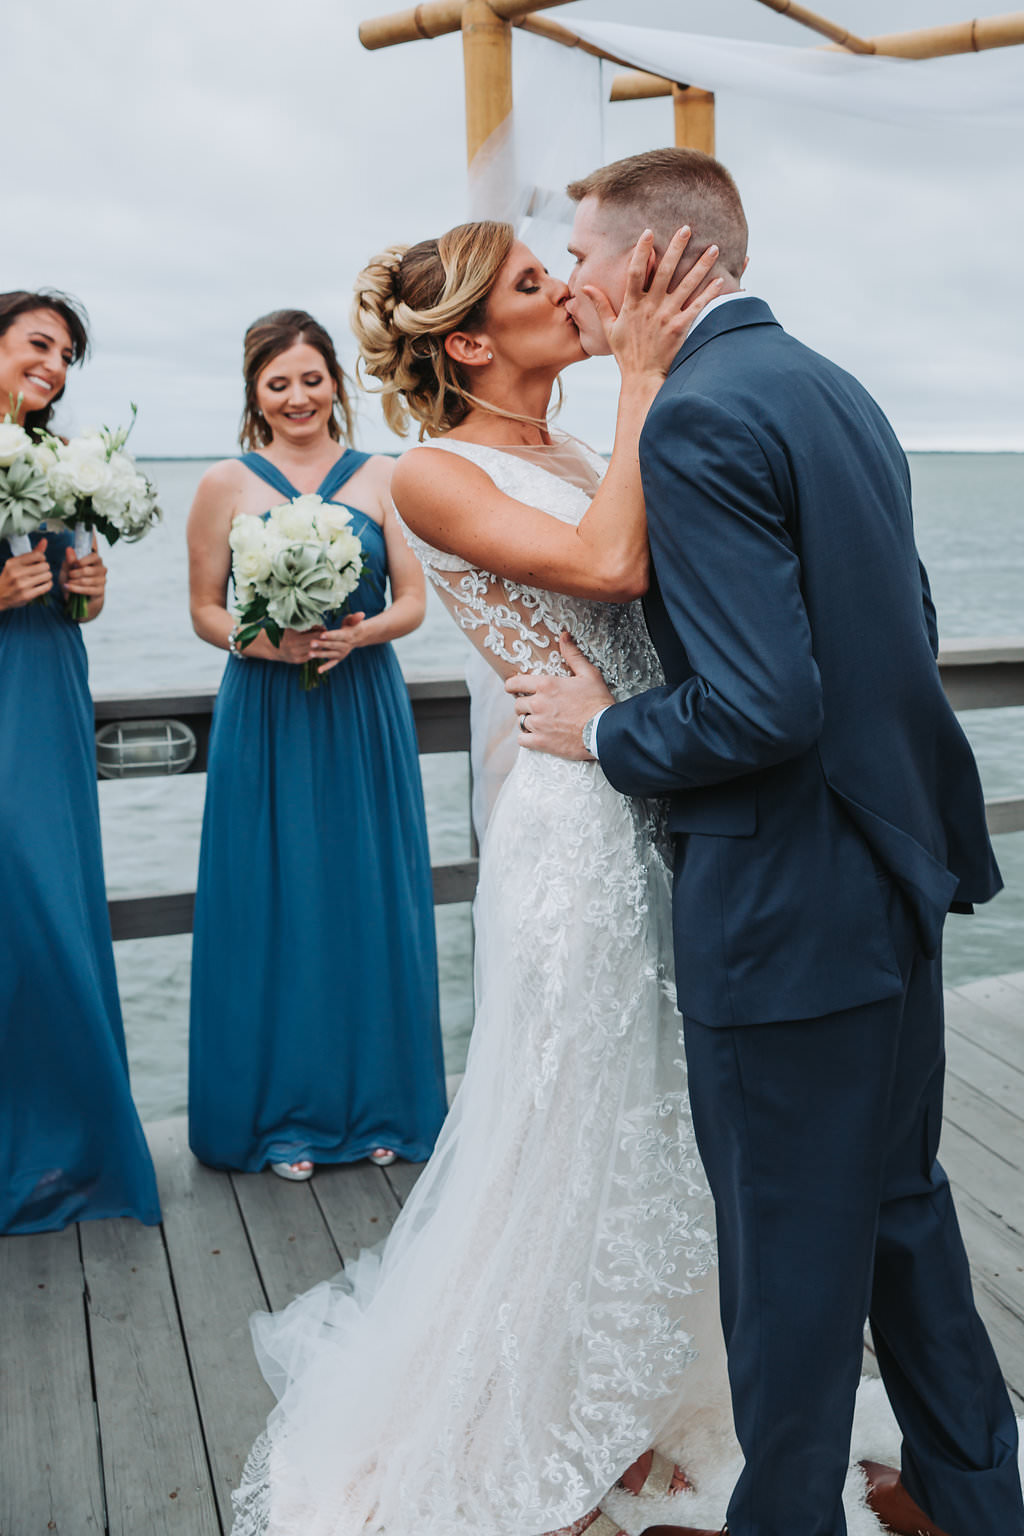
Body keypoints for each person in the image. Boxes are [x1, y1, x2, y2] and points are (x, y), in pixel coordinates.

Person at [512, 149, 1024, 1536]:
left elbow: (763, 702)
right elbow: (900, 634)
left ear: (659, 262)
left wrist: (606, 733)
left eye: (582, 253)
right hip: (880, 880)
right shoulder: (831, 388)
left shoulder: (690, 418)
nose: (570, 278)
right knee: (899, 1213)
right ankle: (982, 1498)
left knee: (789, 1258)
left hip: (780, 907)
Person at [228, 227, 741, 1536]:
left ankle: (653, 1398)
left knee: (665, 1114)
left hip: (656, 801)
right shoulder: (427, 475)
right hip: (573, 833)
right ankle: (512, 1426)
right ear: (467, 342)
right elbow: (612, 570)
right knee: (566, 1119)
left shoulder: (576, 451)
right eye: (531, 285)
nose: (568, 289)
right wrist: (641, 371)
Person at [187, 309, 447, 1181]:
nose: (298, 397)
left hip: (361, 704)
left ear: (335, 379)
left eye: (311, 377)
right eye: (277, 383)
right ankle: (285, 1117)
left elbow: (412, 600)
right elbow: (206, 610)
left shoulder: (384, 476)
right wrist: (271, 643)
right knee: (279, 900)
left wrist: (359, 633)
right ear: (255, 394)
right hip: (267, 710)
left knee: (364, 896)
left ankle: (381, 1106)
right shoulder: (225, 483)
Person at [0, 289, 161, 1234]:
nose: (54, 366)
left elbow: (79, 599)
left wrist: (88, 588)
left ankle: (73, 1149)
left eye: (66, 354)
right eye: (38, 344)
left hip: (47, 694)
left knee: (52, 907)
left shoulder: (66, 463)